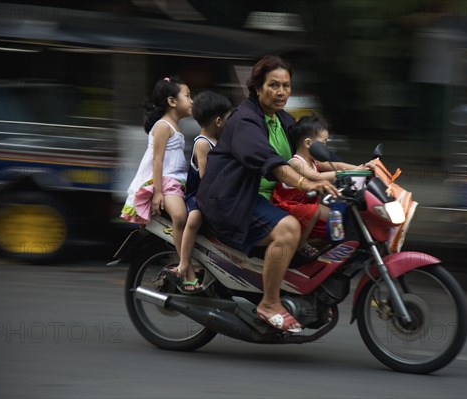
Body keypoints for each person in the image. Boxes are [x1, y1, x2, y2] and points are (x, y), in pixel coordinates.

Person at [196, 55, 338, 333]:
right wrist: (305, 184)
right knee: (289, 229)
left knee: (330, 221)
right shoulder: (245, 120)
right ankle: (269, 303)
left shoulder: (282, 120)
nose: (281, 92)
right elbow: (271, 163)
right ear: (258, 88)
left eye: (286, 85)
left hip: (264, 198)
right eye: (273, 85)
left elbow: (307, 153)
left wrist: (353, 170)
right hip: (233, 199)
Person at [270, 114, 368, 257]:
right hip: (287, 206)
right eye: (322, 144)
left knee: (337, 219)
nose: (325, 148)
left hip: (305, 205)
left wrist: (361, 169)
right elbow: (315, 176)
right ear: (308, 143)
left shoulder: (313, 160)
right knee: (314, 211)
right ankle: (300, 245)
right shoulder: (296, 162)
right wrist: (345, 174)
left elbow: (336, 165)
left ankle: (324, 247)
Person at [120, 76, 193, 262]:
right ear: (172, 101)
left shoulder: (175, 126)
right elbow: (157, 160)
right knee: (180, 216)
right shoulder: (163, 126)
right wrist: (158, 192)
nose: (192, 101)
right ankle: (184, 264)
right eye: (188, 96)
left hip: (176, 181)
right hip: (166, 182)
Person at [165, 91, 232, 292]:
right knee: (194, 218)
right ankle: (184, 263)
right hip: (200, 195)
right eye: (229, 118)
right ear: (219, 121)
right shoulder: (203, 143)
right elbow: (206, 177)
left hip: (216, 193)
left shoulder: (220, 140)